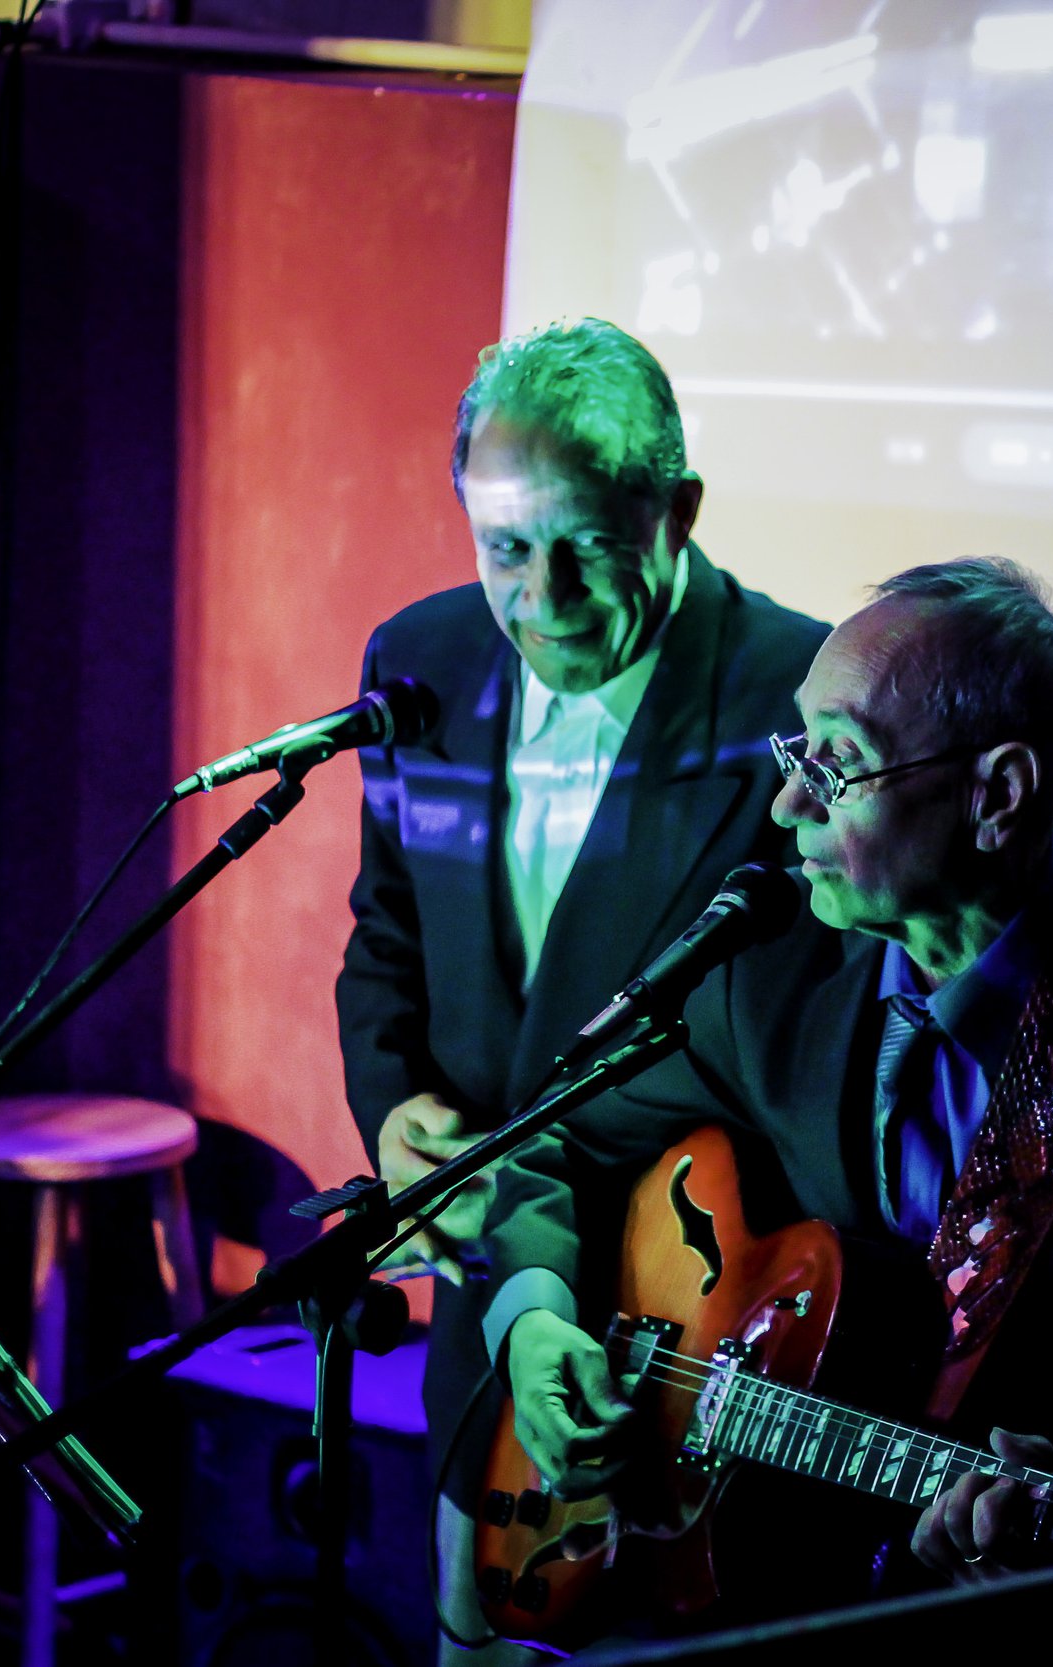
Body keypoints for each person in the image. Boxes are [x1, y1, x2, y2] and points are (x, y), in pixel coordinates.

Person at [484, 557, 1053, 1630]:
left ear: (997, 795)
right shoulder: (772, 967)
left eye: (839, 763)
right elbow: (552, 1147)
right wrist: (532, 1325)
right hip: (756, 1583)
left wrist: (1047, 1524)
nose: (788, 801)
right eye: (797, 746)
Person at [332, 317, 825, 1656]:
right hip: (486, 1343)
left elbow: (796, 1055)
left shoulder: (805, 691)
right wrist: (393, 1117)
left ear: (679, 511)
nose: (541, 594)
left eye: (588, 546)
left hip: (702, 1345)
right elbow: (386, 939)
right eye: (504, 548)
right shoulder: (416, 660)